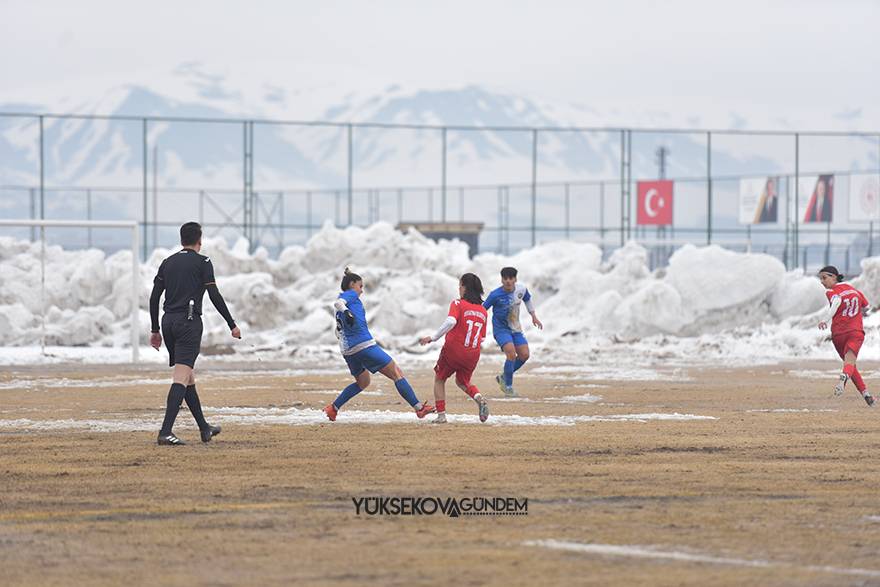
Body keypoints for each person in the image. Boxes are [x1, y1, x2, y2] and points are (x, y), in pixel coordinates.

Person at [149, 222, 241, 445]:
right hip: (188, 323)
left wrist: (155, 329)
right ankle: (165, 432)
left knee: (188, 376)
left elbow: (154, 298)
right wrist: (232, 324)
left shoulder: (167, 262)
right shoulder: (203, 262)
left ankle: (204, 428)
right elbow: (214, 294)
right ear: (199, 240)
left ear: (182, 240)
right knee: (181, 376)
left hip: (168, 322)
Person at [324, 268, 434, 421]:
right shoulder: (349, 295)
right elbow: (338, 303)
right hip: (364, 345)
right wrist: (348, 313)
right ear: (352, 284)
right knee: (397, 372)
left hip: (349, 351)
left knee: (363, 382)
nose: (361, 291)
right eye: (360, 286)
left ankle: (333, 408)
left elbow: (339, 331)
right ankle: (419, 408)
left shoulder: (345, 304)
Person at [419, 273, 490, 424]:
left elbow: (451, 321)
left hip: (453, 351)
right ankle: (479, 398)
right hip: (473, 353)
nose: (459, 288)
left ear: (465, 287)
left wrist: (433, 337)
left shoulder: (458, 304)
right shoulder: (483, 311)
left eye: (460, 285)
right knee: (462, 381)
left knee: (439, 379)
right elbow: (482, 337)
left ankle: (442, 415)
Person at [483, 267, 543, 397]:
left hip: (515, 329)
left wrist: (534, 316)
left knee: (524, 355)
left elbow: (527, 299)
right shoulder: (495, 295)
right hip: (501, 330)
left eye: (511, 278)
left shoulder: (521, 290)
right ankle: (508, 387)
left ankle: (504, 377)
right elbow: (482, 310)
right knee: (511, 354)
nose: (508, 281)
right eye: (505, 278)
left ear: (515, 279)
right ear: (502, 279)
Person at [817, 265, 873, 406]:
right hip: (855, 332)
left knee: (850, 365)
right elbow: (867, 307)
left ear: (834, 277)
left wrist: (825, 319)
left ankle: (866, 395)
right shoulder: (854, 290)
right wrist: (860, 313)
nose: (822, 282)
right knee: (850, 364)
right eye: (820, 279)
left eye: (824, 278)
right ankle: (843, 378)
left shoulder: (832, 292)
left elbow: (836, 302)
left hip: (838, 335)